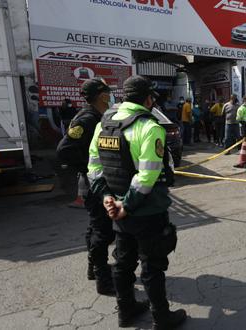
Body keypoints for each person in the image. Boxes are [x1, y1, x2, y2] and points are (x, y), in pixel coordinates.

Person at [87, 75, 186, 328]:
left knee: (123, 261)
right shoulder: (149, 127)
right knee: (152, 265)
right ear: (148, 99)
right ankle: (161, 318)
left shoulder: (104, 124)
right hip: (145, 210)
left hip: (117, 209)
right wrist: (125, 205)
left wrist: (107, 197)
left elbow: (94, 167)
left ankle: (126, 310)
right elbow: (148, 174)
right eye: (152, 97)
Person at [56, 79, 115, 296]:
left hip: (94, 182)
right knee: (103, 231)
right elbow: (64, 151)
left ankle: (94, 268)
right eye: (108, 92)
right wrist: (89, 168)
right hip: (94, 184)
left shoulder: (97, 116)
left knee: (95, 228)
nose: (110, 95)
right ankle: (103, 279)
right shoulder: (88, 118)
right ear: (102, 95)